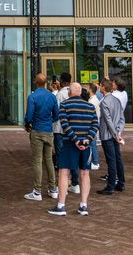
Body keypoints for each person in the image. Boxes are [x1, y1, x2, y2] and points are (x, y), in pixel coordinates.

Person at [48, 82, 98, 217]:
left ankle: (61, 205)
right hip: (86, 144)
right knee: (85, 173)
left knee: (64, 172)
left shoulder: (64, 105)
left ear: (69, 92)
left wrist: (75, 140)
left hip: (70, 143)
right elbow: (95, 125)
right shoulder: (90, 106)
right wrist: (87, 139)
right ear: (81, 92)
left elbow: (64, 124)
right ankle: (83, 205)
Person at [23, 73, 59, 201]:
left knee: (37, 161)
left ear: (35, 82)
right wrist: (49, 121)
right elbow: (56, 115)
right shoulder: (51, 96)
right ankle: (53, 188)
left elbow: (29, 116)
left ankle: (37, 191)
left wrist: (27, 124)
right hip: (48, 131)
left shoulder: (32, 96)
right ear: (46, 83)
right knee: (49, 160)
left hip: (37, 130)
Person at [96, 79, 126, 195]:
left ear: (103, 87)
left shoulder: (104, 102)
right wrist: (119, 132)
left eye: (100, 86)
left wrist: (115, 134)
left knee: (111, 160)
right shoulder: (117, 100)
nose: (99, 87)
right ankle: (121, 183)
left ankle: (111, 185)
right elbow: (122, 118)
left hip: (107, 135)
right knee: (117, 158)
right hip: (115, 134)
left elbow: (108, 120)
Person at [53, 72, 80, 194]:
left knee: (61, 156)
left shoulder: (59, 95)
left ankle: (63, 182)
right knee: (73, 155)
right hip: (72, 129)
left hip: (60, 129)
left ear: (62, 81)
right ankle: (75, 182)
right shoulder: (75, 93)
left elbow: (56, 112)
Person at [86, 83, 101, 170]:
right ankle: (95, 161)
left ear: (91, 90)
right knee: (93, 143)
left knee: (92, 143)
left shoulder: (92, 101)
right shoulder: (93, 99)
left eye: (88, 88)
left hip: (92, 124)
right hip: (94, 123)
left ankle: (95, 162)